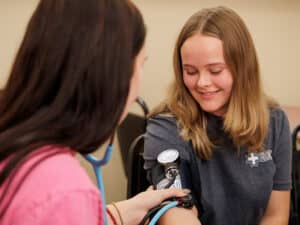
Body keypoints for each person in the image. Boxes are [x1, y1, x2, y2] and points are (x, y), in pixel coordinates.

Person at [0, 0, 189, 224]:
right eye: (140, 64)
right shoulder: (64, 193)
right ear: (111, 77)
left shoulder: (18, 150)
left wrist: (113, 214)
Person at [143, 6, 292, 225]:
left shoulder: (275, 122)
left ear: (242, 68)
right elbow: (176, 214)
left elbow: (276, 215)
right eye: (191, 71)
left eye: (215, 71)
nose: (202, 82)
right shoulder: (165, 125)